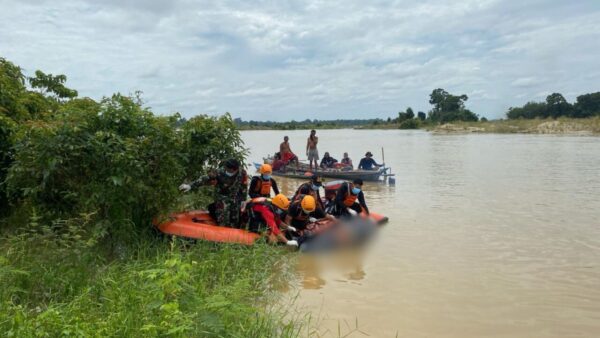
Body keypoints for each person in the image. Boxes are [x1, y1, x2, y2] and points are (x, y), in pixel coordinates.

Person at [179, 158, 248, 227]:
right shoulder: (219, 172)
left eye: (230, 170)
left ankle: (235, 232)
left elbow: (244, 187)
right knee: (223, 214)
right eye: (226, 168)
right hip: (222, 196)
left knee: (235, 217)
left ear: (234, 169)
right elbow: (205, 178)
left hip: (234, 197)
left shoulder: (242, 173)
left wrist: (243, 201)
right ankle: (222, 229)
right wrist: (190, 185)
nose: (227, 170)